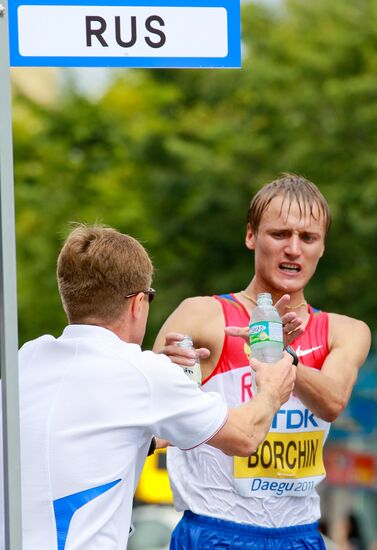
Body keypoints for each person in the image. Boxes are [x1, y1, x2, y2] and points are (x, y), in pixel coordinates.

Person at [17, 223, 296, 550]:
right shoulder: (143, 374)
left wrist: (156, 387)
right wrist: (272, 388)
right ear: (138, 303)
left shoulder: (29, 357)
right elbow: (246, 436)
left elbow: (95, 431)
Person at [154, 174, 371, 550]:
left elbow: (333, 402)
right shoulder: (203, 315)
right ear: (251, 236)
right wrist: (169, 375)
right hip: (215, 529)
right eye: (279, 234)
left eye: (308, 238)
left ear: (322, 248)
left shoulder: (344, 331)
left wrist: (279, 354)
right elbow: (147, 409)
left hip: (298, 535)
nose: (293, 249)